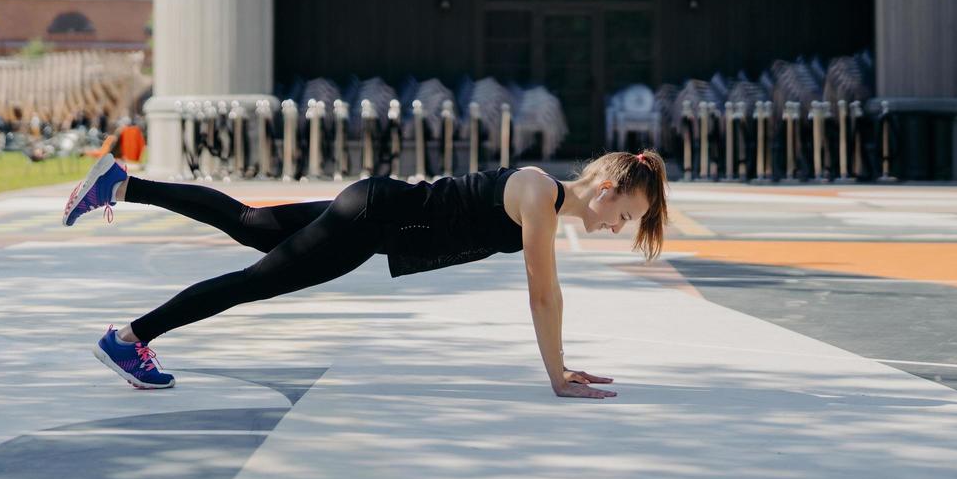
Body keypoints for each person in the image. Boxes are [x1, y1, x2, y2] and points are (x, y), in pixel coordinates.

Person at [62, 150, 669, 397]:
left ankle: (123, 182)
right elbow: (544, 294)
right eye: (627, 214)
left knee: (249, 222)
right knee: (254, 279)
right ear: (610, 188)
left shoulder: (545, 197)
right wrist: (556, 373)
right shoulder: (538, 196)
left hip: (374, 209)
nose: (619, 226)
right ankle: (130, 338)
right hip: (373, 220)